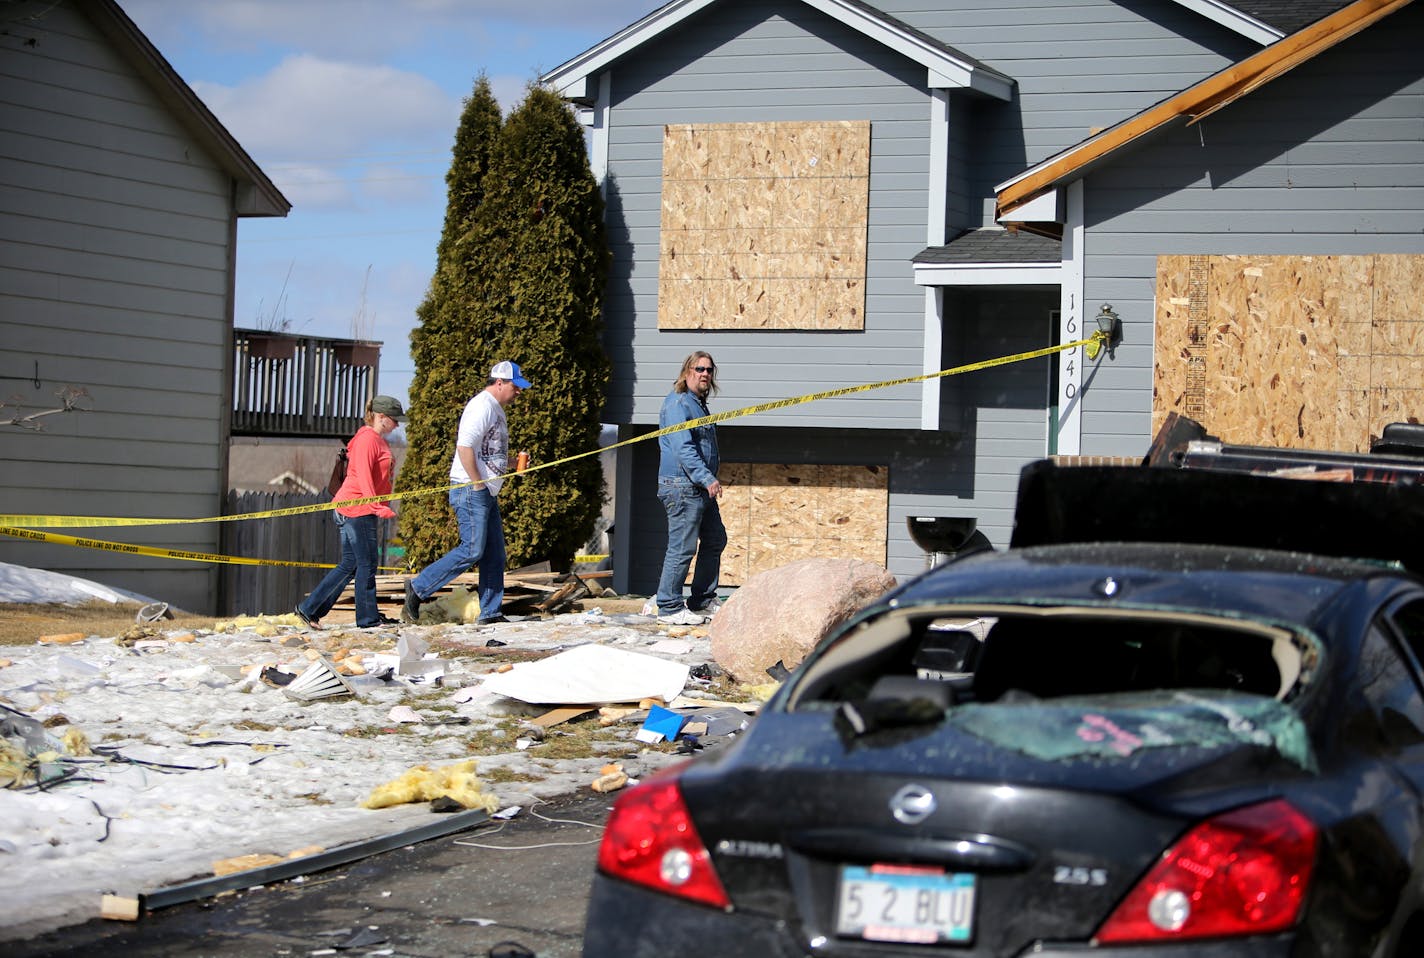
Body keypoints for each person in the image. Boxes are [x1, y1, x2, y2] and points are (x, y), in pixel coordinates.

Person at [403, 361, 531, 625]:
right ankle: (418, 588)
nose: (518, 392)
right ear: (499, 383)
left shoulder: (496, 410)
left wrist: (509, 464)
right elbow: (464, 447)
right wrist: (477, 483)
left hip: (486, 491)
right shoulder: (481, 406)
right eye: (515, 386)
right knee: (472, 549)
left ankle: (491, 613)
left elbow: (487, 453)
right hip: (471, 490)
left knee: (495, 555)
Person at [296, 395, 404, 630]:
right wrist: (373, 504)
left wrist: (380, 503)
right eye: (395, 420)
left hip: (357, 507)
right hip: (357, 508)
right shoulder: (367, 439)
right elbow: (364, 474)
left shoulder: (377, 439)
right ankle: (368, 620)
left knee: (351, 564)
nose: (398, 425)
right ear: (381, 417)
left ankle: (309, 609)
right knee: (367, 563)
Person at [654, 351, 727, 625]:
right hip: (683, 485)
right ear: (687, 372)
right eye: (699, 369)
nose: (705, 374)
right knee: (682, 547)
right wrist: (706, 477)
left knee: (716, 539)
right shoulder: (678, 404)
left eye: (709, 369)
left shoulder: (698, 404)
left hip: (697, 487)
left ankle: (702, 600)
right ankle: (669, 606)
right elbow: (683, 448)